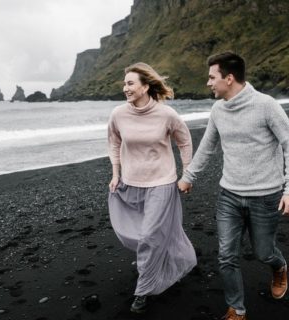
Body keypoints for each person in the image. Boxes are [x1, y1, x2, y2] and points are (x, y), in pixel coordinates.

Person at [179, 51, 289, 320]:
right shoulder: (218, 110)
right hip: (229, 195)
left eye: (211, 77)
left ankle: (279, 267)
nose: (208, 83)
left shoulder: (266, 106)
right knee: (227, 255)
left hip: (266, 196)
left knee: (263, 253)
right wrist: (188, 176)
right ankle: (237, 310)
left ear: (229, 78)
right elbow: (207, 147)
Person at [108, 62, 197, 313]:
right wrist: (116, 174)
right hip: (130, 183)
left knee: (148, 236)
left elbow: (185, 141)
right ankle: (180, 259)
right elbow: (113, 144)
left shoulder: (166, 115)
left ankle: (143, 290)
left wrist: (187, 173)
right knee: (139, 234)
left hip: (162, 183)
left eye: (130, 83)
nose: (125, 88)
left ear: (145, 86)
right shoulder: (118, 114)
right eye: (124, 83)